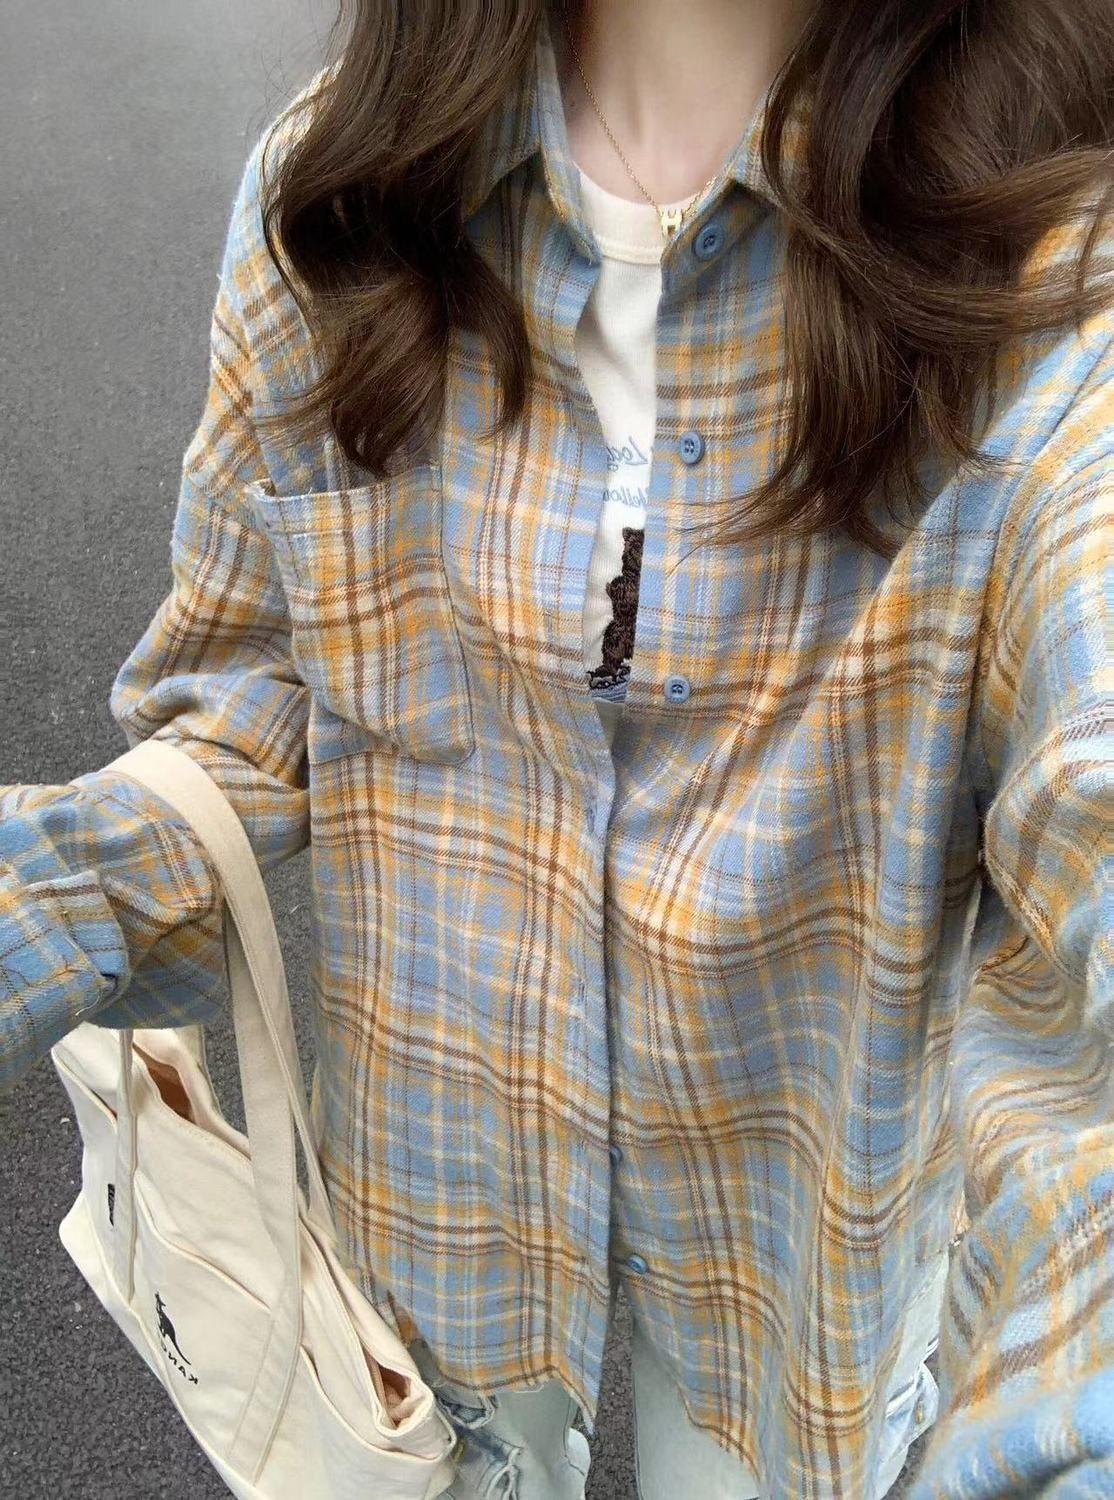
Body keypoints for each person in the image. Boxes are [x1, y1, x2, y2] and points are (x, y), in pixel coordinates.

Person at [2, 0, 1111, 1495]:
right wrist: (47, 902)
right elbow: (252, 689)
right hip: (439, 1194)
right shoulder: (341, 202)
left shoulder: (1051, 288)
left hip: (801, 1235)